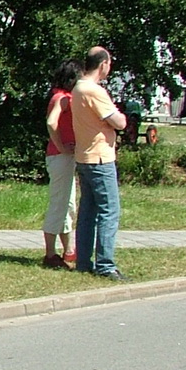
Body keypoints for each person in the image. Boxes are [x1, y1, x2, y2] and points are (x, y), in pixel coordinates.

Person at [70, 46, 128, 281]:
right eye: (109, 64)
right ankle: (105, 264)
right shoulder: (94, 91)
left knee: (88, 211)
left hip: (84, 155)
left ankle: (84, 261)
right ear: (103, 64)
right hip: (100, 157)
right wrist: (120, 118)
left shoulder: (77, 88)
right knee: (108, 211)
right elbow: (118, 122)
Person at [42, 59, 82, 269]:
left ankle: (68, 249)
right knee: (60, 203)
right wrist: (62, 146)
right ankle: (50, 253)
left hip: (63, 157)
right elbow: (51, 122)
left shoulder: (62, 96)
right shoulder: (62, 98)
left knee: (68, 204)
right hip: (61, 157)